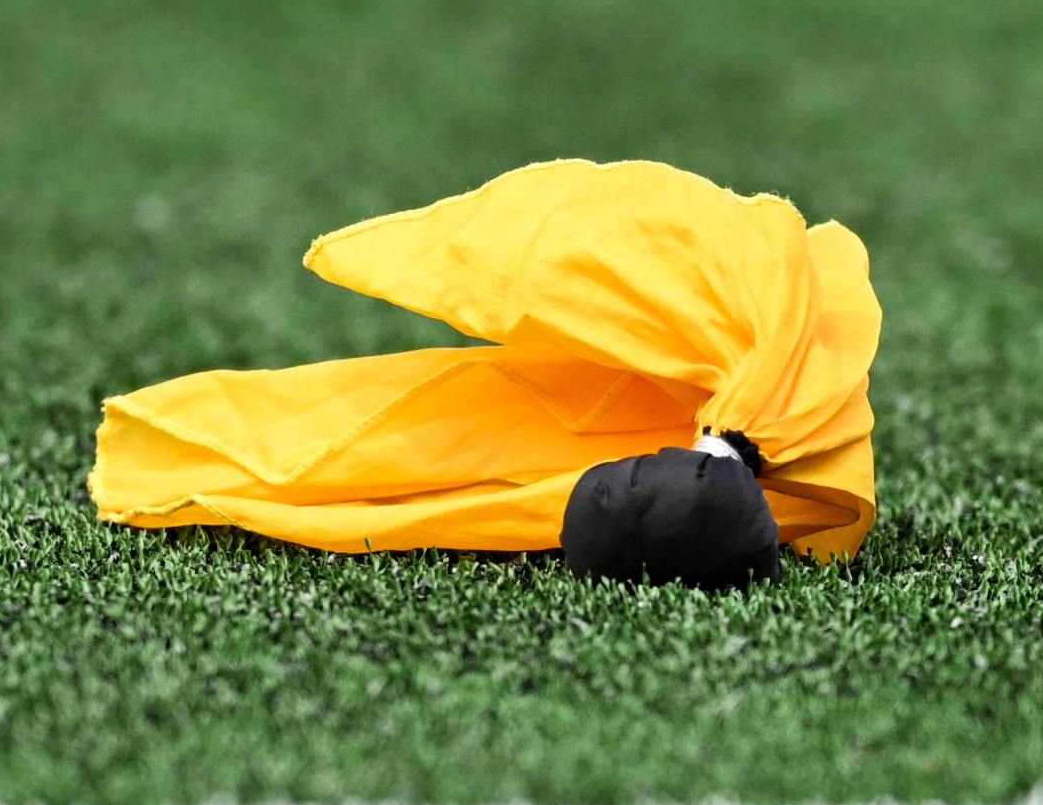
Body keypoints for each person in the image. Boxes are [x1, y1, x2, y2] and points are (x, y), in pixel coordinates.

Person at [88, 159, 878, 586]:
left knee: (385, 439)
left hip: (732, 419)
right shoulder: (782, 395)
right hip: (735, 398)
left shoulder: (786, 433)